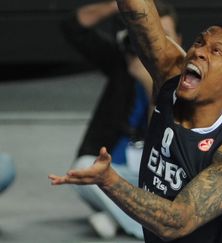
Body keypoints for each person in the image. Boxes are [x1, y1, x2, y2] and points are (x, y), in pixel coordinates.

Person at [49, 1, 222, 241]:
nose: (199, 51)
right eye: (199, 42)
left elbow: (177, 222)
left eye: (216, 51)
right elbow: (138, 16)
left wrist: (110, 180)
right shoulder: (171, 74)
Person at [61, 0, 181, 239]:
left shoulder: (187, 80)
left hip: (160, 176)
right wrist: (119, 5)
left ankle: (121, 218)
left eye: (164, 36)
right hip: (118, 170)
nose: (155, 44)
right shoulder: (122, 64)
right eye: (147, 37)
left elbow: (164, 143)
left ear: (179, 39)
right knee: (83, 170)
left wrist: (151, 87)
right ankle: (147, 226)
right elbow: (72, 27)